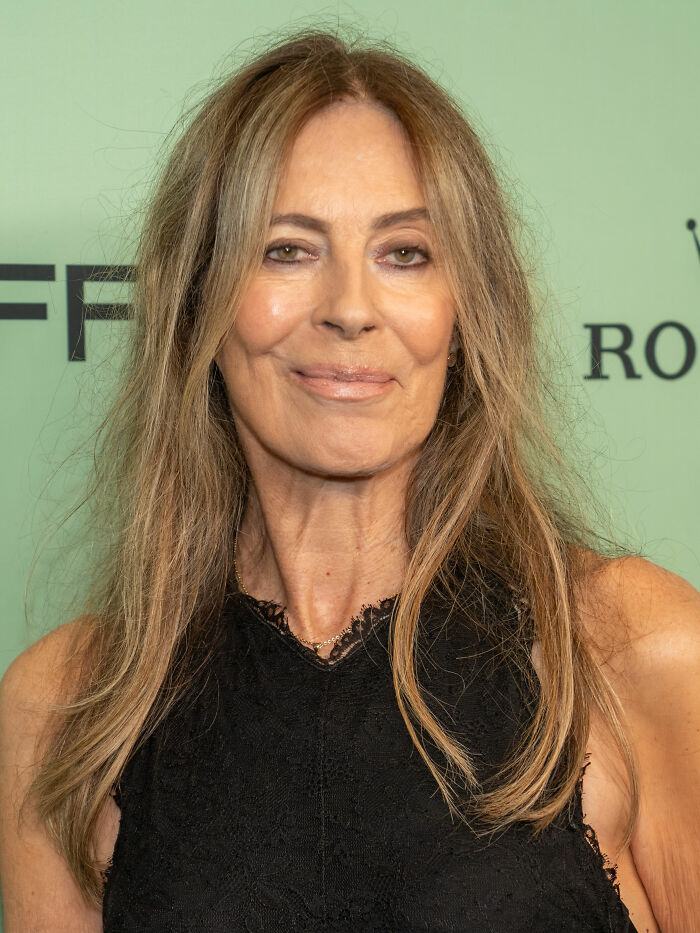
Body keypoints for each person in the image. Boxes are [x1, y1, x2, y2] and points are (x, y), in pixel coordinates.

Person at [0, 25, 698, 933]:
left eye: (404, 253)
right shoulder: (67, 709)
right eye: (286, 249)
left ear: (465, 311)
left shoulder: (631, 649)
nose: (351, 310)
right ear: (199, 298)